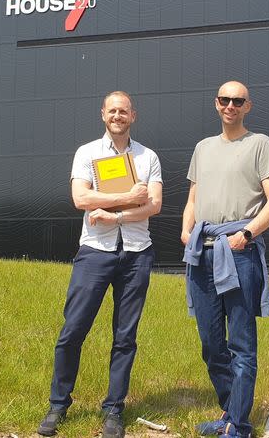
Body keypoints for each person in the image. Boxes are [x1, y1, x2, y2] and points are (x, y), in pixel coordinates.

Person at [37, 91, 163, 438]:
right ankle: (58, 404)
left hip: (137, 254)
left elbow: (154, 205)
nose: (118, 115)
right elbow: (81, 198)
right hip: (95, 252)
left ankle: (113, 410)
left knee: (125, 337)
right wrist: (128, 199)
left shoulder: (148, 156)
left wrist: (115, 215)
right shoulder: (87, 153)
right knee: (73, 330)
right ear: (103, 115)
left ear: (133, 115)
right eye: (112, 110)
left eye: (124, 111)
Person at [181, 81, 269, 438]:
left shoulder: (260, 144)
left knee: (241, 343)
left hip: (239, 253)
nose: (230, 105)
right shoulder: (202, 148)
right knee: (211, 344)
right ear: (216, 104)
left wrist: (246, 235)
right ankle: (230, 413)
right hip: (202, 253)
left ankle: (238, 426)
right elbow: (193, 199)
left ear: (247, 106)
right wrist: (185, 229)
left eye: (237, 101)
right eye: (224, 100)